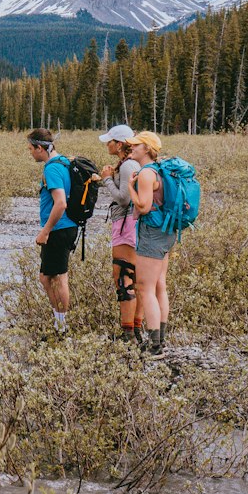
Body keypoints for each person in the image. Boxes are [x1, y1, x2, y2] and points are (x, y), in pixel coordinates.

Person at [126, 130, 174, 353]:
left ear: (146, 148)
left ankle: (155, 345)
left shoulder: (146, 173)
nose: (132, 148)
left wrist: (129, 188)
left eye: (136, 145)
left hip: (152, 232)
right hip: (166, 231)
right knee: (159, 285)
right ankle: (160, 339)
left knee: (145, 288)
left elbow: (143, 206)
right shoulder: (160, 170)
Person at [26, 128, 78, 334]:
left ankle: (61, 327)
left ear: (40, 148)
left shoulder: (52, 169)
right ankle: (60, 323)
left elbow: (60, 203)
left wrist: (45, 231)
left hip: (58, 229)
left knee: (53, 278)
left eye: (31, 149)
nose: (30, 153)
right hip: (65, 228)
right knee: (51, 277)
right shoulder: (64, 162)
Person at [97, 124, 143, 343]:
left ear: (120, 144)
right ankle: (135, 329)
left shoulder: (127, 166)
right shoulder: (130, 164)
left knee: (124, 277)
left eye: (111, 141)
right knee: (134, 278)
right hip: (130, 225)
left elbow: (124, 198)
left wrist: (107, 178)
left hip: (125, 226)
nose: (107, 144)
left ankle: (128, 334)